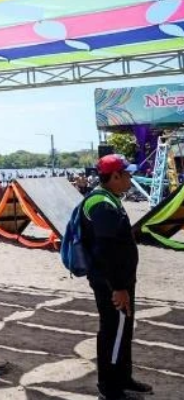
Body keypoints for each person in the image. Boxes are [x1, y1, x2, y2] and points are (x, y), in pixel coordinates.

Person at [83, 155, 152, 400]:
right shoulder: (102, 204)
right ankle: (110, 388)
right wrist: (118, 287)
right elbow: (106, 250)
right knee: (113, 331)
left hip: (118, 281)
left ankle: (123, 378)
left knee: (123, 330)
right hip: (110, 284)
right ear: (114, 176)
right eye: (127, 174)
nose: (130, 178)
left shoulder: (109, 198)